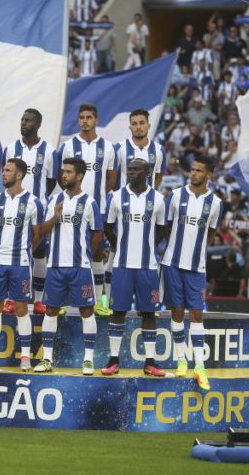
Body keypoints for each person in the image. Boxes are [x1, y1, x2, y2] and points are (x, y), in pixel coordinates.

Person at [36, 157, 103, 375]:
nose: (64, 175)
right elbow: (42, 231)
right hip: (55, 266)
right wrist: (55, 217)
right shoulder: (55, 200)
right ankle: (47, 359)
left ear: (80, 175)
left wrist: (86, 255)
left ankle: (88, 360)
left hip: (80, 267)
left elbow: (98, 233)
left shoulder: (90, 203)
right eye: (63, 171)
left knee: (86, 310)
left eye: (68, 172)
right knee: (51, 310)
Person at [102, 159, 167, 377]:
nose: (131, 172)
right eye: (129, 168)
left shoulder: (158, 199)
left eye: (136, 169)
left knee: (149, 312)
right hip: (121, 264)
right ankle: (113, 360)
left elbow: (161, 230)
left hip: (147, 266)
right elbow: (108, 226)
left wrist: (147, 247)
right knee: (118, 311)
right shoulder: (116, 197)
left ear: (147, 173)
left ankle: (150, 362)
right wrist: (119, 245)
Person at [162, 156, 221, 390]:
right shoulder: (176, 195)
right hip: (173, 263)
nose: (193, 173)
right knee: (176, 311)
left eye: (198, 171)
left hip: (197, 268)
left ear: (209, 175)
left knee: (197, 314)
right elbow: (166, 226)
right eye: (192, 169)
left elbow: (212, 233)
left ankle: (199, 366)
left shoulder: (215, 203)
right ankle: (181, 359)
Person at [0, 159, 42, 372]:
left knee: (21, 308)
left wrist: (24, 253)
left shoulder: (33, 202)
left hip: (21, 263)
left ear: (19, 175)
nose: (3, 174)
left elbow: (38, 234)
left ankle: (25, 357)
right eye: (3, 169)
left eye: (7, 171)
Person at [56, 103, 117, 316]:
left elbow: (111, 178)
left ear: (96, 120)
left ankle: (100, 301)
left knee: (97, 254)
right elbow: (61, 175)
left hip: (96, 208)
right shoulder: (69, 145)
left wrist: (97, 199)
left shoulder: (108, 147)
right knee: (66, 252)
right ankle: (61, 300)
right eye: (81, 117)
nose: (84, 121)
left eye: (89, 117)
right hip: (72, 208)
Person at [3, 108, 57, 314]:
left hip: (38, 208)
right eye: (22, 119)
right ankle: (10, 298)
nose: (23, 123)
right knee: (12, 252)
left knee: (39, 252)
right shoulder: (10, 148)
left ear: (38, 124)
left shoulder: (50, 151)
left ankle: (38, 300)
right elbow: (5, 176)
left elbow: (51, 180)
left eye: (28, 120)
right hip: (14, 208)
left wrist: (37, 201)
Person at [116, 109, 166, 189]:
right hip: (124, 200)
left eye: (142, 123)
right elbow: (111, 177)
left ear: (149, 126)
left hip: (148, 200)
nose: (138, 127)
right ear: (130, 127)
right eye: (134, 124)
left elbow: (158, 177)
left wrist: (148, 193)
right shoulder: (119, 148)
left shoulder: (159, 150)